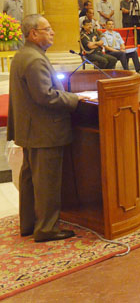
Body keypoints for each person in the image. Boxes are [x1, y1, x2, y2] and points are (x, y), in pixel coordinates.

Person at [7, 14, 83, 242]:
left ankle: (29, 224)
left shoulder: (23, 55)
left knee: (30, 180)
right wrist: (74, 99)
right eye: (47, 29)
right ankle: (47, 229)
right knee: (47, 182)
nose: (52, 32)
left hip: (30, 130)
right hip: (45, 131)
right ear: (33, 34)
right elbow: (45, 97)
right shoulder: (35, 59)